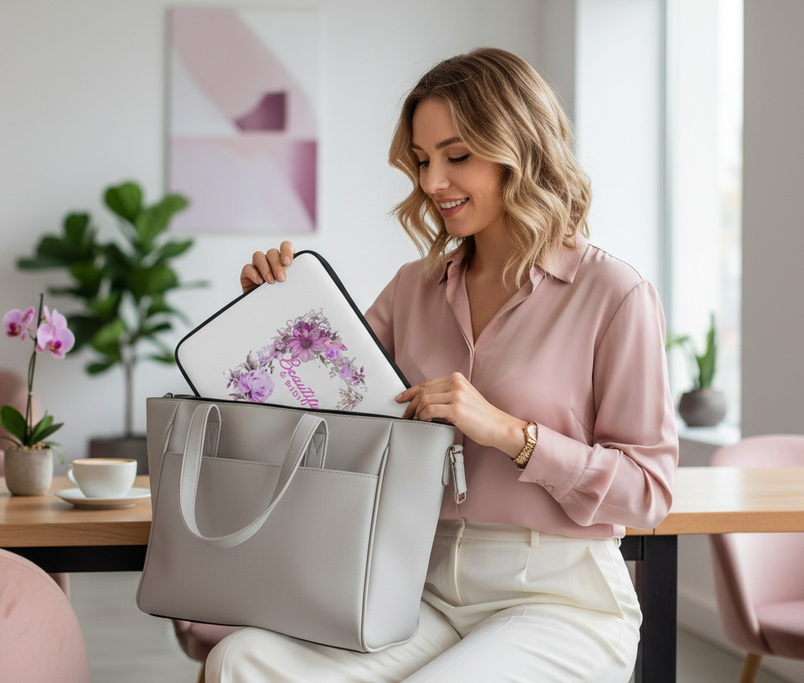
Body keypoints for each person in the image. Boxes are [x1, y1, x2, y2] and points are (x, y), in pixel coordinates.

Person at [210, 47, 678, 683]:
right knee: (242, 660)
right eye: (424, 161)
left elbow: (648, 491)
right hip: (419, 588)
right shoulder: (413, 288)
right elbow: (319, 411)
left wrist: (514, 436)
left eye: (457, 156)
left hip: (560, 600)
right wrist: (270, 316)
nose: (432, 183)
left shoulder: (614, 294)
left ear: (523, 149)